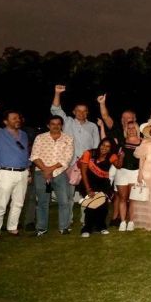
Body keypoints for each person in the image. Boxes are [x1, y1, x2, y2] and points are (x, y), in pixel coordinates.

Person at [51, 85, 101, 225]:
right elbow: (55, 109)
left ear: (87, 113)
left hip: (87, 165)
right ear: (73, 112)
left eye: (84, 111)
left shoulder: (92, 126)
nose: (81, 113)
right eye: (78, 110)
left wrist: (93, 163)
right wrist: (57, 93)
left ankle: (86, 220)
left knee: (87, 193)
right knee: (69, 194)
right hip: (70, 164)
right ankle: (68, 220)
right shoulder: (67, 122)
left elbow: (96, 146)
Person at [0, 105, 31, 241]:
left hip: (22, 173)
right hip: (5, 173)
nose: (17, 120)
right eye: (14, 118)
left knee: (18, 203)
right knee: (1, 204)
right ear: (5, 121)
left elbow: (25, 154)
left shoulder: (23, 134)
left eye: (18, 118)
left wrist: (28, 172)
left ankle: (12, 227)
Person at [30, 115, 75, 236]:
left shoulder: (68, 139)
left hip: (59, 174)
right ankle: (41, 228)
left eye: (58, 124)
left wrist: (49, 170)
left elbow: (67, 159)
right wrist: (45, 170)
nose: (56, 126)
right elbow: (34, 156)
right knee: (42, 202)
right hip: (42, 174)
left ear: (62, 125)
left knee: (64, 201)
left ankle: (64, 227)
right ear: (48, 125)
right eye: (53, 124)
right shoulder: (40, 138)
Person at [77, 137, 119, 237]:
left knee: (103, 206)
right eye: (103, 145)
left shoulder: (111, 156)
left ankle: (101, 227)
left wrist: (121, 156)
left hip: (103, 185)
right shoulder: (89, 153)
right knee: (91, 205)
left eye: (108, 146)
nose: (104, 148)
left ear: (111, 148)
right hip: (88, 183)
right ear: (100, 144)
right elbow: (83, 172)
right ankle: (87, 229)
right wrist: (88, 189)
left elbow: (119, 166)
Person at [113, 120, 142, 231]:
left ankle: (131, 222)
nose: (131, 130)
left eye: (133, 128)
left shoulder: (142, 142)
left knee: (133, 199)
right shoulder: (121, 143)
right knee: (122, 198)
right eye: (128, 128)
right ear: (125, 130)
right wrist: (120, 157)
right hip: (122, 172)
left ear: (137, 129)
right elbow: (117, 163)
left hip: (135, 172)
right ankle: (122, 222)